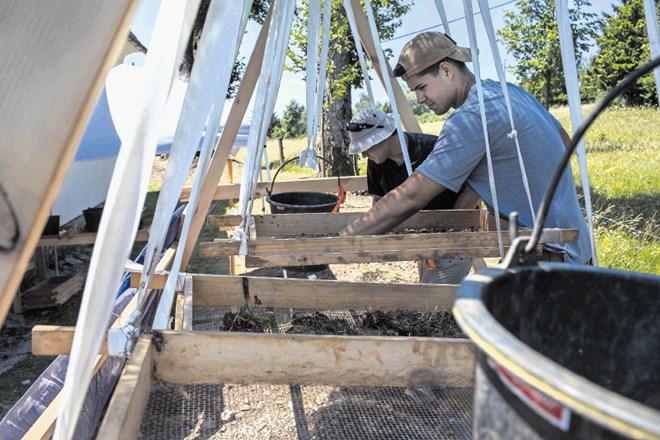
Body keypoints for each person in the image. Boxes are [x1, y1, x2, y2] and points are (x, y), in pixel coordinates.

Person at [340, 32, 592, 265]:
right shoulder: (508, 92)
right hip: (575, 247)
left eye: (421, 87)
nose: (419, 99)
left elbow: (411, 196)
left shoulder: (471, 118)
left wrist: (343, 239)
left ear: (446, 70)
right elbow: (564, 142)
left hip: (550, 258)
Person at [347, 106, 477, 284]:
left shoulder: (433, 149)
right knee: (429, 290)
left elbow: (472, 188)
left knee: (430, 300)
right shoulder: (377, 162)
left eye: (366, 147)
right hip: (421, 237)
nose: (363, 154)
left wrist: (451, 228)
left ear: (384, 137)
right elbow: (379, 199)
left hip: (456, 235)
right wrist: (374, 234)